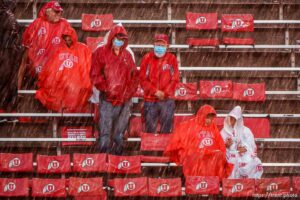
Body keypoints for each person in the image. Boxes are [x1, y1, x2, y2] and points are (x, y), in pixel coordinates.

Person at [90, 24, 139, 155]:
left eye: (122, 39)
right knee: (105, 133)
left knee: (119, 133)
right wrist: (107, 89)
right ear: (111, 38)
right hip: (107, 99)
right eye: (117, 38)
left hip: (124, 101)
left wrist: (127, 93)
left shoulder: (127, 55)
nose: (119, 41)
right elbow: (95, 74)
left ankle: (117, 161)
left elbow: (134, 78)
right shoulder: (100, 53)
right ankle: (103, 161)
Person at [164, 105, 233, 178]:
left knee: (219, 156)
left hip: (210, 154)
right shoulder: (189, 125)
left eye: (211, 118)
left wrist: (224, 146)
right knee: (195, 157)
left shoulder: (213, 127)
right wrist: (198, 150)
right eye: (207, 118)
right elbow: (184, 142)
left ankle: (212, 181)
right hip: (196, 153)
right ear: (202, 116)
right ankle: (198, 181)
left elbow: (219, 143)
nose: (209, 120)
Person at [35, 27, 92, 112]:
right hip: (61, 84)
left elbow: (87, 67)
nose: (68, 39)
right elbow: (51, 68)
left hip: (75, 85)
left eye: (69, 36)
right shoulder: (57, 50)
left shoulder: (83, 49)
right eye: (65, 36)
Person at [18, 1, 71, 90]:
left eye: (60, 12)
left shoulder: (64, 24)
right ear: (47, 12)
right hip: (37, 73)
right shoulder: (36, 24)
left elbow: (71, 45)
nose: (59, 14)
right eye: (56, 12)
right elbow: (26, 51)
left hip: (58, 74)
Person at [139, 34, 179, 133]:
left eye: (162, 45)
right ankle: (151, 148)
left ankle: (163, 148)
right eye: (158, 44)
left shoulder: (172, 59)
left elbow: (175, 79)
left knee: (166, 129)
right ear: (154, 45)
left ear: (167, 46)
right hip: (150, 99)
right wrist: (155, 91)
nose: (159, 47)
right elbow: (142, 79)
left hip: (167, 100)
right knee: (150, 129)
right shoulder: (147, 58)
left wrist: (165, 93)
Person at [221, 106, 263, 179]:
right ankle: (230, 184)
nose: (232, 121)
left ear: (239, 120)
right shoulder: (223, 131)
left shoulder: (246, 131)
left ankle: (247, 184)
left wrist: (244, 149)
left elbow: (251, 146)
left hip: (242, 156)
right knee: (231, 160)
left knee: (254, 161)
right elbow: (219, 147)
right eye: (231, 118)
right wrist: (226, 146)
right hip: (228, 155)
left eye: (234, 119)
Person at [0, 0, 22, 121]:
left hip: (7, 53)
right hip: (9, 52)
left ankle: (8, 112)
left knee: (7, 82)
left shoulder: (7, 16)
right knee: (9, 83)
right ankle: (10, 112)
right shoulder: (10, 17)